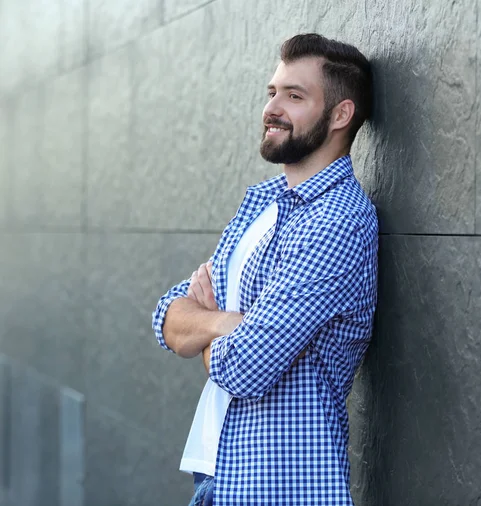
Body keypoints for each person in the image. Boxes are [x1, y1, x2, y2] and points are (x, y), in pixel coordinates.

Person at [152, 33, 378, 506]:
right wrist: (227, 323)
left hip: (276, 486)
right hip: (217, 474)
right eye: (272, 92)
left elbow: (245, 365)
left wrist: (210, 333)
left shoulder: (336, 221)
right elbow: (166, 317)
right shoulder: (263, 205)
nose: (273, 107)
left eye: (294, 96)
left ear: (341, 115)